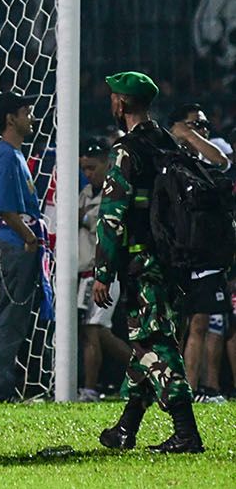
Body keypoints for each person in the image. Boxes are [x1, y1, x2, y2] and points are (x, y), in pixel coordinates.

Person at [94, 72, 203, 453]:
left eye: (113, 97)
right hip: (172, 261)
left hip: (142, 265)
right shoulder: (166, 143)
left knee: (155, 344)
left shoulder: (126, 150)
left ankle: (187, 433)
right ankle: (125, 429)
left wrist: (102, 272)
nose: (111, 102)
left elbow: (112, 216)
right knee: (147, 345)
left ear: (122, 103)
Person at [0, 90, 47, 403]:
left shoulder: (14, 154)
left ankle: (6, 386)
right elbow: (4, 207)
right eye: (26, 112)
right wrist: (30, 237)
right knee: (9, 320)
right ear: (11, 119)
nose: (31, 118)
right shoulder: (5, 154)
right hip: (15, 245)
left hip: (18, 244)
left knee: (15, 319)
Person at [166, 104, 231, 404]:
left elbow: (223, 161)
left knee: (203, 322)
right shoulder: (168, 157)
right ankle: (184, 389)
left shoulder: (203, 156)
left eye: (204, 125)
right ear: (177, 127)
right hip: (176, 256)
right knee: (184, 324)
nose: (203, 130)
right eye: (196, 125)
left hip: (203, 255)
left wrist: (191, 136)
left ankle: (194, 390)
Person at [75, 139, 130, 402]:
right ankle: (146, 370)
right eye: (84, 168)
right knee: (98, 331)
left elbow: (109, 227)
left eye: (92, 167)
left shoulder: (113, 192)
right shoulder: (85, 192)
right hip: (87, 273)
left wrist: (84, 218)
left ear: (107, 164)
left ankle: (89, 388)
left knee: (93, 330)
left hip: (106, 273)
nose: (88, 173)